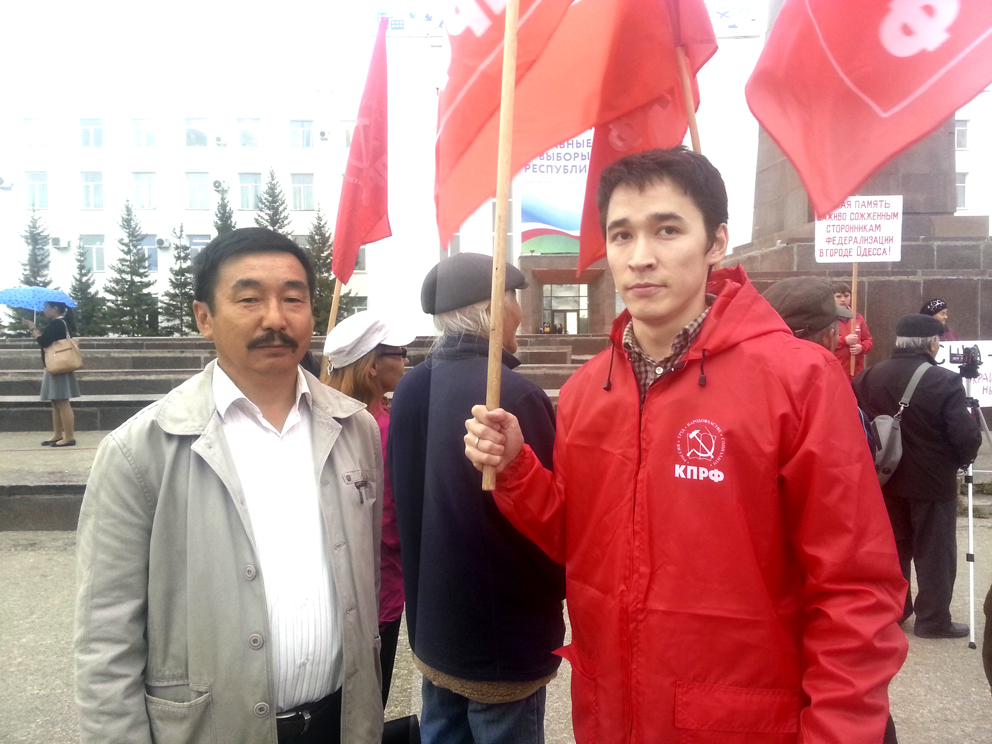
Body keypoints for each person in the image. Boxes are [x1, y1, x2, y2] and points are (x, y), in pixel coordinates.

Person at [465, 147, 907, 743]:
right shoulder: (587, 390)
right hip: (612, 716)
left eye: (667, 230)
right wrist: (518, 468)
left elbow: (855, 588)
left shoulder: (798, 379)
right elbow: (581, 544)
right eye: (621, 235)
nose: (640, 257)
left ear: (716, 241)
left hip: (741, 723)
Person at [75, 227, 384, 743]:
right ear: (204, 317)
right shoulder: (141, 449)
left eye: (293, 299)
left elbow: (363, 581)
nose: (275, 318)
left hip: (339, 722)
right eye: (249, 299)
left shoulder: (356, 429)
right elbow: (105, 636)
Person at [389, 252, 565, 744]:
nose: (520, 314)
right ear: (496, 309)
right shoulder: (512, 395)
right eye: (514, 300)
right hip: (502, 634)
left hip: (435, 625)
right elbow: (548, 519)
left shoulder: (410, 387)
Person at [854, 313, 982, 639]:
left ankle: (895, 611)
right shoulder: (944, 380)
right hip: (932, 482)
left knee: (893, 549)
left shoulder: (867, 378)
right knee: (935, 551)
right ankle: (933, 620)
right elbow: (965, 435)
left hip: (884, 479)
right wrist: (960, 461)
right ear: (933, 343)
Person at [323, 311, 414, 708]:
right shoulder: (382, 428)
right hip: (377, 593)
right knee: (365, 709)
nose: (406, 360)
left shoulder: (316, 419)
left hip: (328, 594)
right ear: (373, 365)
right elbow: (390, 526)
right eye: (400, 352)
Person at [23, 301, 80, 447]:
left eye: (46, 307)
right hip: (55, 366)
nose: (44, 310)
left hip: (58, 367)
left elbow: (44, 342)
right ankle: (57, 434)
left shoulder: (58, 323)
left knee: (62, 402)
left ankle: (69, 437)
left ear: (55, 308)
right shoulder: (61, 323)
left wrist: (33, 328)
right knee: (56, 402)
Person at [832, 282, 874, 379]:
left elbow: (868, 339)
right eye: (838, 296)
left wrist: (861, 347)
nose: (843, 299)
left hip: (856, 371)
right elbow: (823, 342)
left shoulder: (858, 318)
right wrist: (844, 340)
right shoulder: (828, 319)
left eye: (846, 296)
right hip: (836, 369)